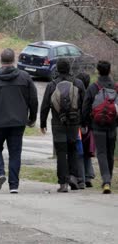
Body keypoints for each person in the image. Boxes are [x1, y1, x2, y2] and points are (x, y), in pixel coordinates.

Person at [0, 48, 38, 194]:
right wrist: (32, 118)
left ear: (0, 60)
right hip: (18, 122)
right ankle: (14, 186)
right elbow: (33, 99)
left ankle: (0, 173)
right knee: (15, 153)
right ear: (14, 60)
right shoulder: (25, 77)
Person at [40, 58, 85, 193]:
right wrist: (83, 121)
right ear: (69, 68)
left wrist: (42, 123)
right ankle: (73, 177)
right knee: (73, 150)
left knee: (61, 153)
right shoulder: (78, 83)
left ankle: (63, 183)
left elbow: (45, 106)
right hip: (73, 123)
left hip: (57, 123)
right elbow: (84, 104)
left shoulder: (52, 85)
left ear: (57, 69)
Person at [82, 60, 116, 194]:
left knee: (101, 153)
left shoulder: (93, 87)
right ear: (109, 71)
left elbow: (85, 107)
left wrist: (85, 123)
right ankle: (109, 179)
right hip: (112, 125)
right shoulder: (115, 86)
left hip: (97, 125)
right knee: (110, 153)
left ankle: (106, 181)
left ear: (98, 71)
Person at [75, 71, 95, 188]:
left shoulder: (78, 94)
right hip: (90, 128)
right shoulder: (91, 93)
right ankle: (88, 176)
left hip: (80, 127)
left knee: (79, 153)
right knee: (87, 152)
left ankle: (81, 178)